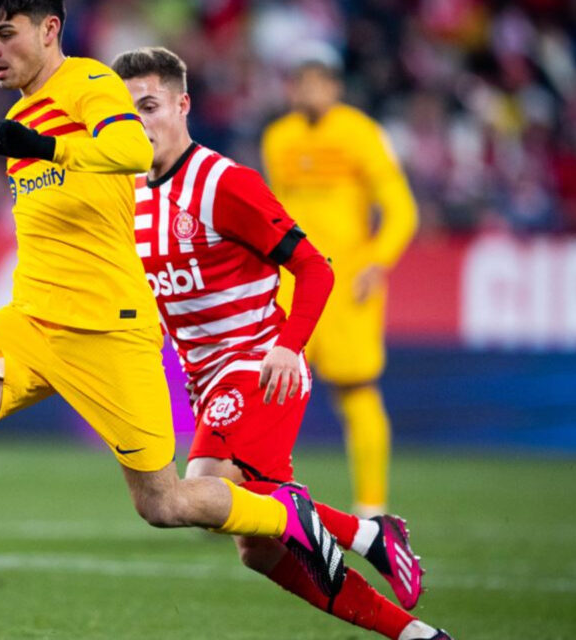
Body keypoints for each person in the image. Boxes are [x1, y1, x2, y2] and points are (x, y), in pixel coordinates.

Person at [0, 4, 345, 639]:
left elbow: (131, 147)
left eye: (5, 34)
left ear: (48, 30)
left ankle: (288, 519)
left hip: (110, 328)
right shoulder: (21, 112)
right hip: (33, 319)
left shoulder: (90, 84)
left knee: (164, 503)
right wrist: (33, 141)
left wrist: (44, 146)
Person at [113, 46, 447, 640]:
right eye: (126, 111)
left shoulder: (224, 182)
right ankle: (413, 626)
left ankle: (363, 530)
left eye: (150, 106)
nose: (139, 122)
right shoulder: (130, 195)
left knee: (205, 489)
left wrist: (288, 347)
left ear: (182, 105)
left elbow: (316, 268)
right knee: (257, 549)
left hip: (259, 360)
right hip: (206, 376)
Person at [261, 42, 419, 518]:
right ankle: (240, 496)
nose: (307, 89)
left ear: (335, 86)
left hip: (348, 284)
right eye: (300, 80)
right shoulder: (278, 138)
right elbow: (275, 212)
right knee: (267, 390)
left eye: (317, 80)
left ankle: (371, 508)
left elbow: (401, 209)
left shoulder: (360, 134)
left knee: (356, 392)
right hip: (291, 283)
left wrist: (378, 260)